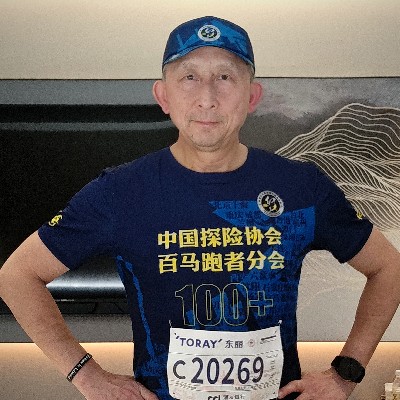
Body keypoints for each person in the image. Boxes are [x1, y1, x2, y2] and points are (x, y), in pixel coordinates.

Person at [0, 15, 399, 400]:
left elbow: (389, 268)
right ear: (163, 96)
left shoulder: (300, 186)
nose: (207, 99)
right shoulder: (120, 192)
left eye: (225, 77)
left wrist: (346, 373)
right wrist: (86, 375)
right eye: (189, 77)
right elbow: (17, 275)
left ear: (252, 96)